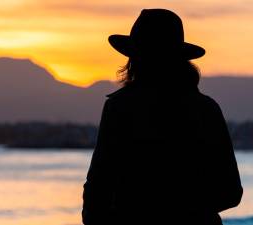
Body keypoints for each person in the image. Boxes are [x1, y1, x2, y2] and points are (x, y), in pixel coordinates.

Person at [82, 9, 243, 225]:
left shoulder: (120, 108)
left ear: (134, 60)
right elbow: (230, 192)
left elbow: (97, 191)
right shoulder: (206, 109)